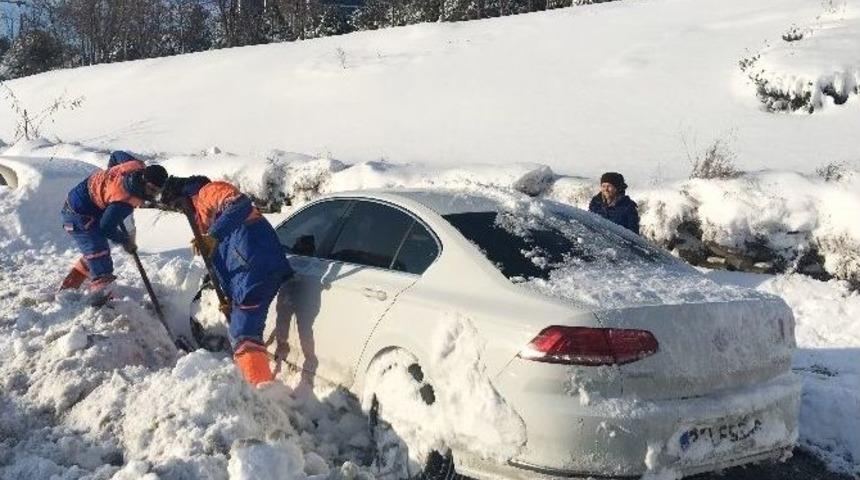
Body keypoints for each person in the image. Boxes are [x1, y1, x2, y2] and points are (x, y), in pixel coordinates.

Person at [161, 176, 294, 386]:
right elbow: (225, 261)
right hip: (248, 276)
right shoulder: (206, 220)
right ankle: (254, 384)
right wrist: (229, 299)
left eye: (178, 206)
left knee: (244, 334)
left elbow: (240, 204)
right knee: (241, 333)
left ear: (184, 195)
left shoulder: (208, 192)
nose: (181, 212)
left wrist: (213, 235)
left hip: (256, 268)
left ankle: (259, 390)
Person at [59, 154, 168, 298]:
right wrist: (125, 240)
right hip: (77, 215)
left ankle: (70, 285)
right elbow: (106, 228)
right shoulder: (124, 200)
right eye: (152, 190)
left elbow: (116, 155)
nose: (154, 195)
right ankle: (101, 295)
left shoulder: (135, 165)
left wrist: (110, 175)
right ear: (142, 181)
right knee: (98, 252)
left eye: (158, 192)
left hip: (87, 203)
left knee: (95, 252)